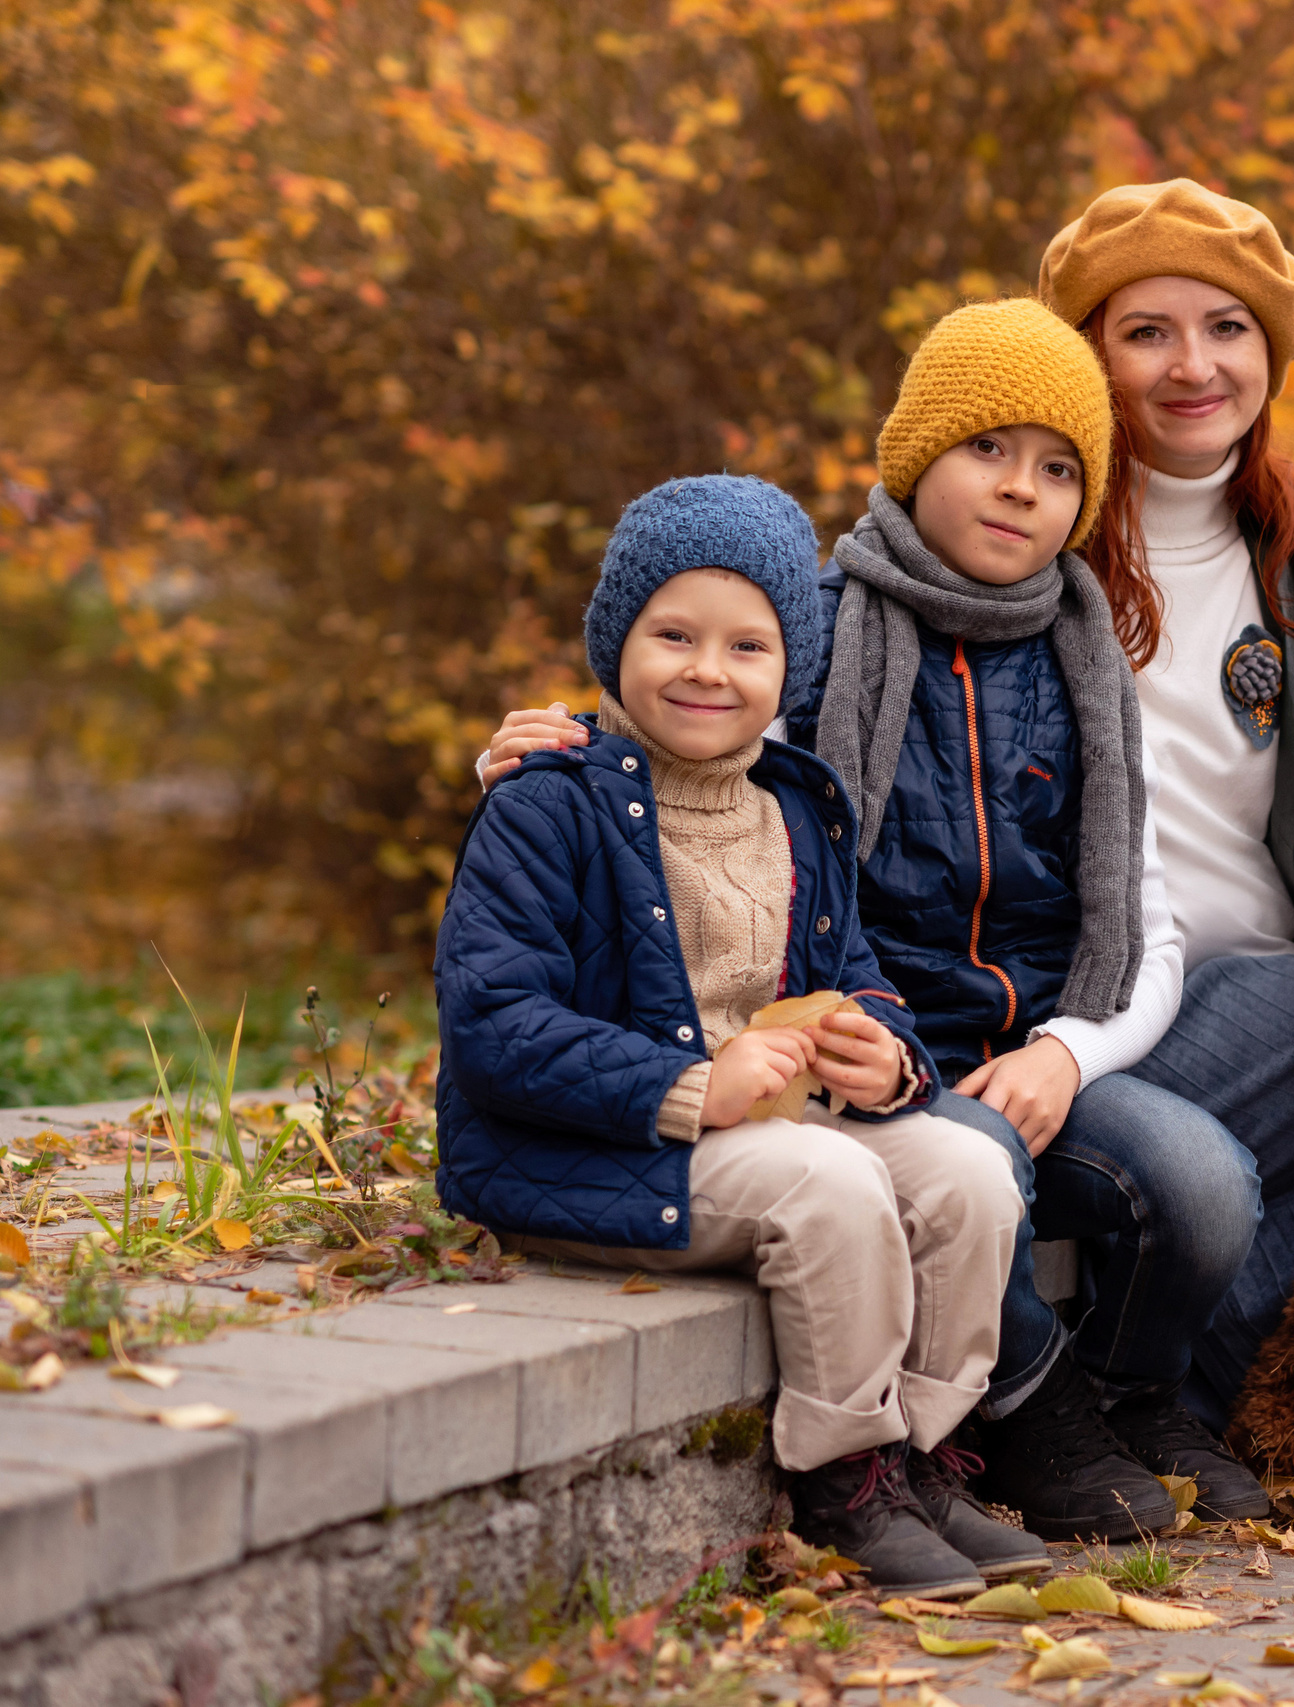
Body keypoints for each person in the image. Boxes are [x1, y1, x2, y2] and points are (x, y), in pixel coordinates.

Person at [480, 183, 1294, 1451]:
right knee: (1204, 1153)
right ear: (1084, 358)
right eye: (1145, 330)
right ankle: (1162, 1398)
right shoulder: (1019, 542)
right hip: (1073, 1005)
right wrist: (582, 743)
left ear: (1270, 355)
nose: (1191, 364)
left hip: (1258, 987)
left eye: (1226, 329)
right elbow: (749, 684)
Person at [435, 473, 1039, 1596]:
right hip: (608, 1144)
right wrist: (690, 1085)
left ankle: (929, 1453)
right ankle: (844, 1477)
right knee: (828, 1184)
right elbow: (495, 1027)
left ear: (789, 671)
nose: (707, 670)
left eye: (747, 647)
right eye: (673, 634)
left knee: (963, 1167)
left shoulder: (795, 805)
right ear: (616, 641)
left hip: (774, 1121)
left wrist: (884, 1053)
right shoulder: (549, 799)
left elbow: (857, 976)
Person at [783, 298, 1269, 1537]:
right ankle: (1031, 1410)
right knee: (978, 1163)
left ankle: (1131, 1393)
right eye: (986, 449)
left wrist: (1068, 1053)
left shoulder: (1085, 661)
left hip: (1037, 1049)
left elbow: (1147, 932)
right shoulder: (820, 630)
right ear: (916, 457)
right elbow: (684, 715)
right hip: (882, 1048)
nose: (1020, 491)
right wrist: (566, 745)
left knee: (1205, 1186)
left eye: (1059, 469)